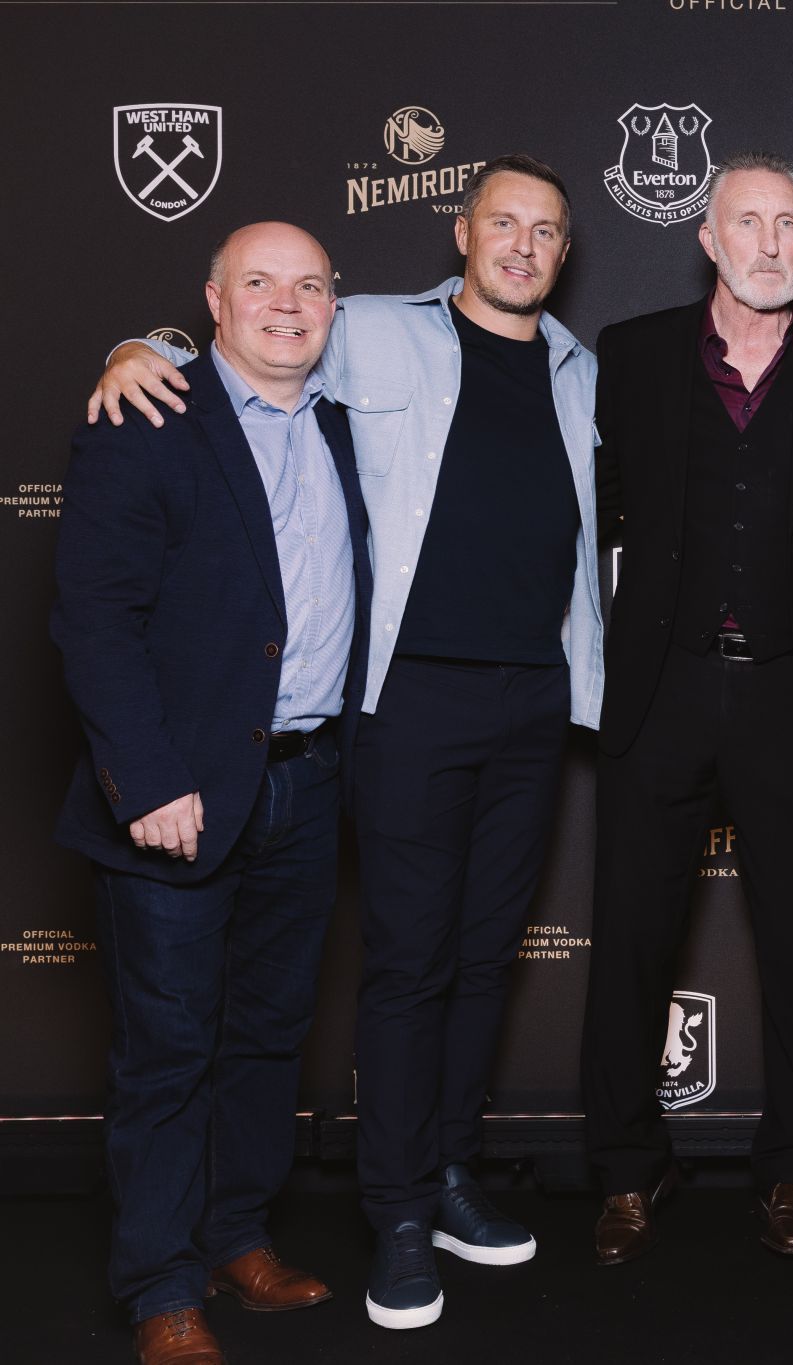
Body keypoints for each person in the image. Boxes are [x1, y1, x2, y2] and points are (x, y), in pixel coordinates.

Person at [89, 154, 604, 1331]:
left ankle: (448, 1171)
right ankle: (398, 1212)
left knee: (482, 958)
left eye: (544, 231)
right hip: (406, 699)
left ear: (564, 252)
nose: (522, 246)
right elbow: (240, 360)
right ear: (462, 231)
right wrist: (134, 350)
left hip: (532, 698)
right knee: (408, 963)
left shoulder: (582, 370)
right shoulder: (365, 328)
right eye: (503, 223)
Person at [53, 222, 371, 1365]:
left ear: (333, 306)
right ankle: (161, 1286)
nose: (287, 304)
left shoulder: (346, 423)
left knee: (267, 1036)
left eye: (309, 286)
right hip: (178, 794)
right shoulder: (148, 417)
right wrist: (146, 779)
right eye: (260, 284)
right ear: (214, 302)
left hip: (308, 781)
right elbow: (94, 618)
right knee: (169, 1050)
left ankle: (237, 1236)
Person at [580, 152, 793, 1265]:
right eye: (746, 223)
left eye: (787, 224)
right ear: (707, 239)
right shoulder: (631, 352)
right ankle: (625, 1165)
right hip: (661, 686)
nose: (769, 243)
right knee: (630, 938)